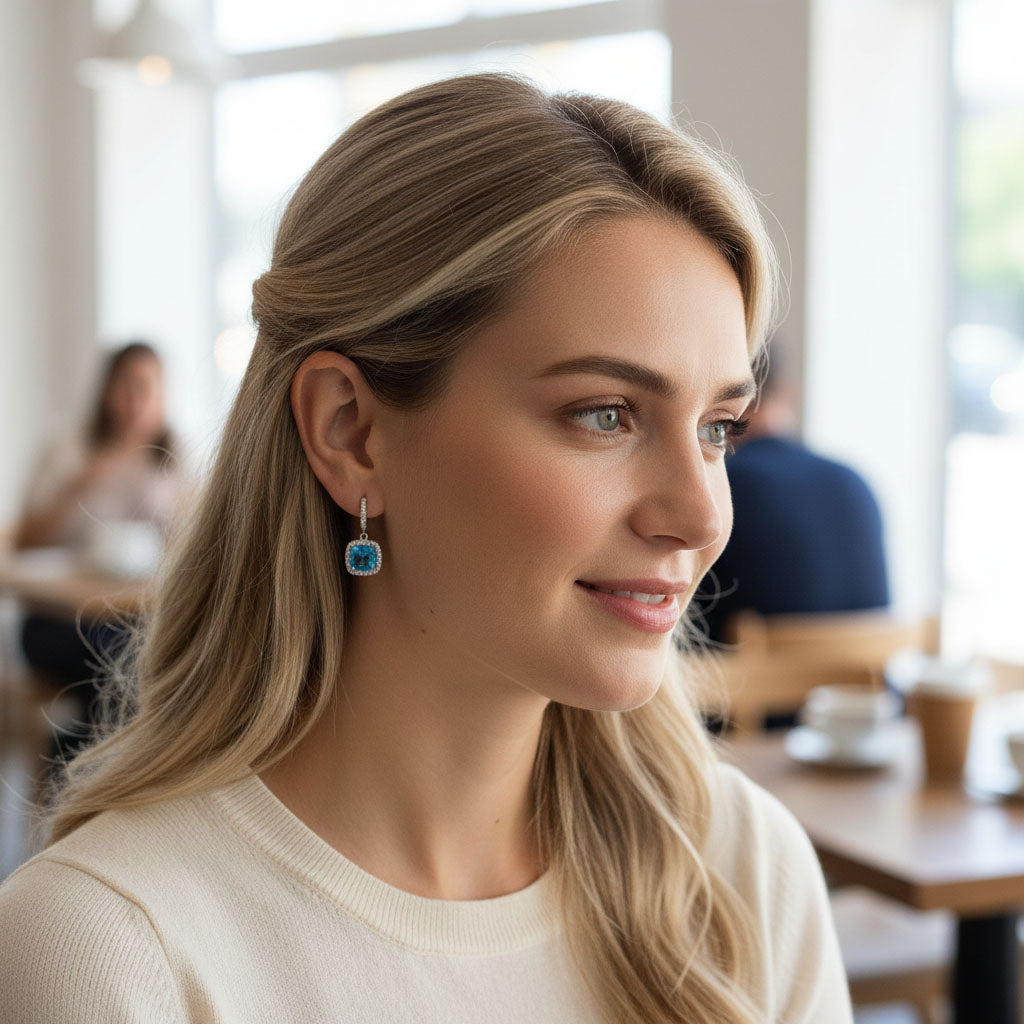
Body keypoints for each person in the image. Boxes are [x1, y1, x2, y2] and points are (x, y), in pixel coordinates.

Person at [0, 74, 852, 1023]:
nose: (701, 516)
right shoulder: (109, 952)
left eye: (717, 428)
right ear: (351, 432)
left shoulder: (745, 876)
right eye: (605, 414)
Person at [12, 340, 185, 759]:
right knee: (126, 660)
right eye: (127, 386)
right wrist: (79, 485)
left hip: (131, 615)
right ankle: (97, 764)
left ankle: (79, 753)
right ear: (107, 389)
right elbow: (23, 542)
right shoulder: (70, 449)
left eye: (148, 388)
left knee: (152, 651)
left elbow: (189, 548)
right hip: (58, 618)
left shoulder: (170, 462)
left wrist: (168, 511)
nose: (136, 401)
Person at [699, 338, 890, 644]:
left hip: (748, 677)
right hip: (864, 675)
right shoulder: (853, 482)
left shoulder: (724, 486)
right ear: (788, 394)